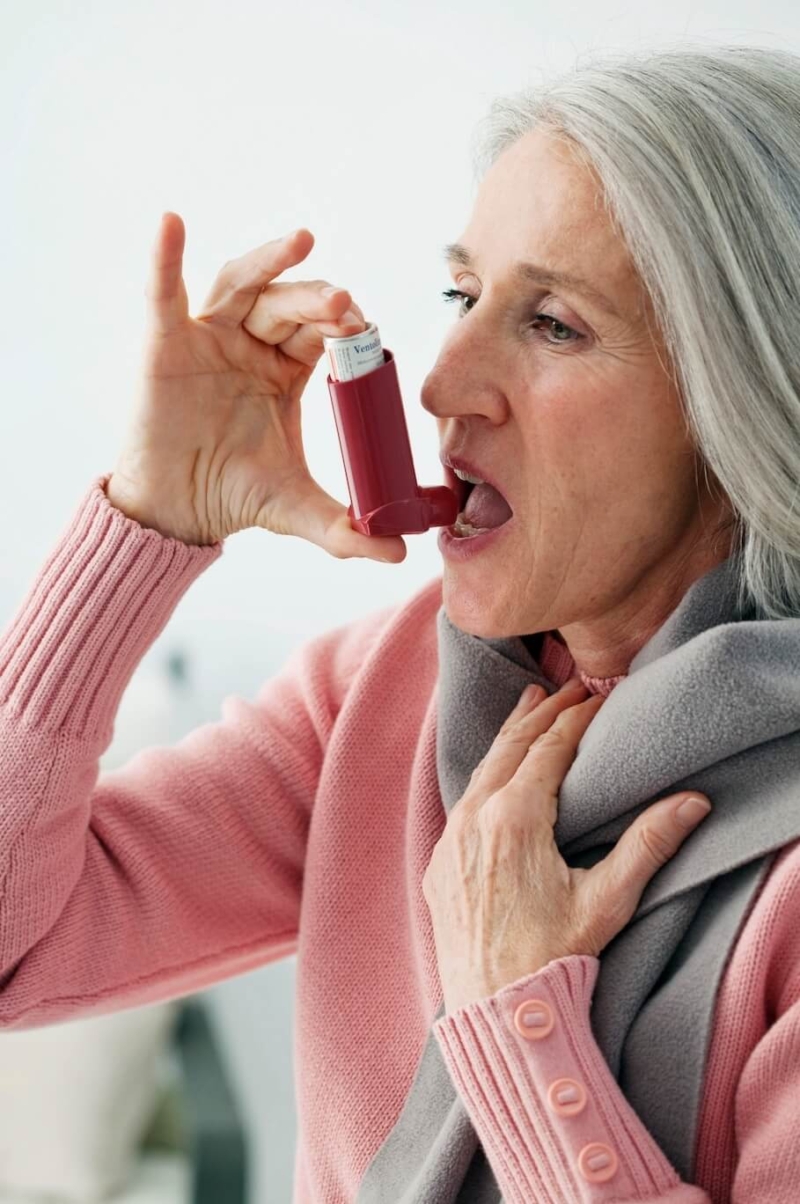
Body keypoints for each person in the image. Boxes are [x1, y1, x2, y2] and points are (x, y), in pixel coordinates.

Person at [2, 40, 800, 1204]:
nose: (440, 381)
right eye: (462, 294)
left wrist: (518, 1031)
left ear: (735, 410)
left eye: (553, 324)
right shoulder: (374, 699)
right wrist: (143, 524)